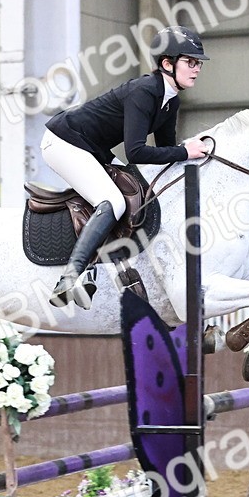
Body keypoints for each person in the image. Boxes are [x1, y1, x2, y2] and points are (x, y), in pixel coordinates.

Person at [41, 25, 209, 308]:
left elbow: (166, 154)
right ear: (167, 64)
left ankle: (103, 267)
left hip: (92, 147)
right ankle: (71, 277)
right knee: (112, 201)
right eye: (190, 61)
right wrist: (185, 151)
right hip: (63, 141)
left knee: (138, 194)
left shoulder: (170, 101)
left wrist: (188, 155)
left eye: (198, 63)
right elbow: (137, 152)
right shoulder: (144, 91)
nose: (196, 68)